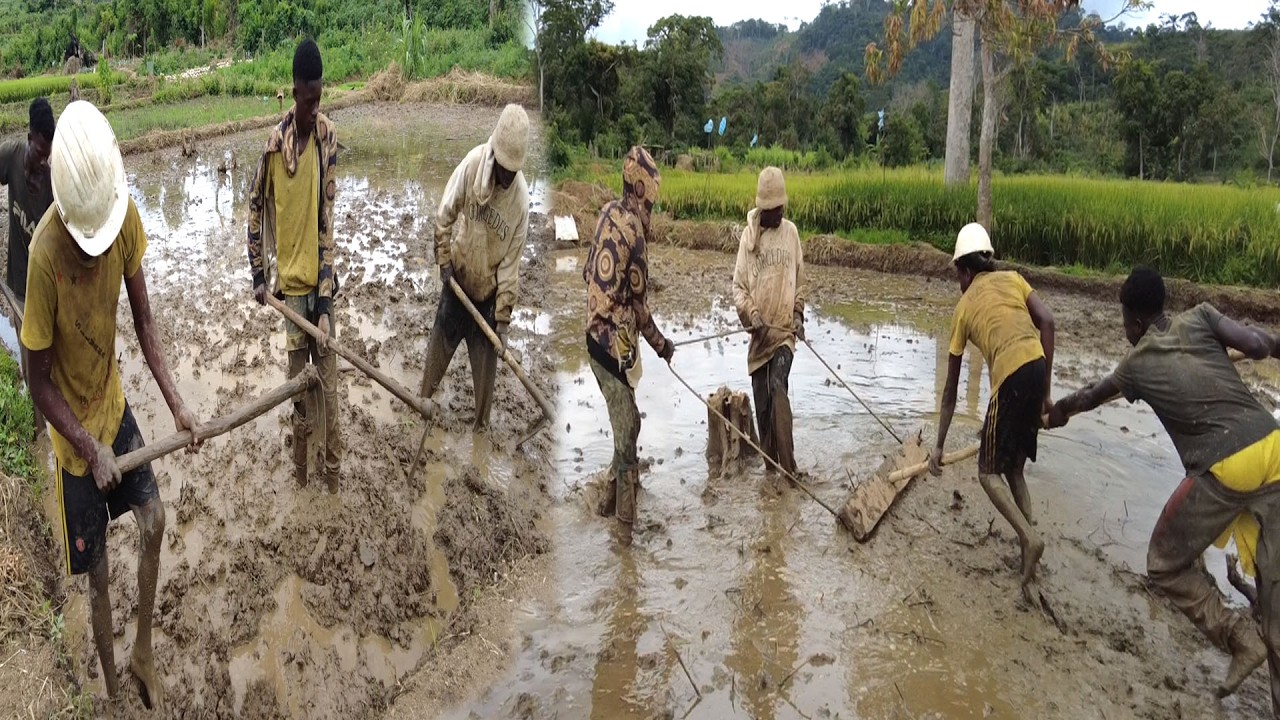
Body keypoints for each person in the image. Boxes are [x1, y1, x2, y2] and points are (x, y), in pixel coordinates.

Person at [22, 100, 202, 709]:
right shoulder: (46, 257)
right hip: (75, 445)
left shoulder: (122, 219)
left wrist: (176, 402)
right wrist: (85, 445)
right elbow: (35, 380)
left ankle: (144, 651)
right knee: (96, 574)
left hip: (113, 404)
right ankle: (111, 685)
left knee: (155, 522)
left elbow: (146, 322)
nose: (99, 251)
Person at [1048, 267, 1276, 704]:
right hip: (1274, 445)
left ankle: (1239, 636)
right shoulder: (1202, 315)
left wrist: (1056, 413)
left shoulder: (1135, 363)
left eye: (1123, 320)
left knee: (1164, 562)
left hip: (1226, 463)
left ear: (1132, 320)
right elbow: (1256, 345)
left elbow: (1089, 397)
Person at [930, 222, 1055, 598]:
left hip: (1010, 378)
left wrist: (938, 446)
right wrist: (1046, 396)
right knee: (1014, 468)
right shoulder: (1015, 279)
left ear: (965, 271)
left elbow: (951, 390)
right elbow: (1047, 322)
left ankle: (1029, 539)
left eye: (958, 276)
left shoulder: (965, 307)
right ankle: (1026, 556)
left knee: (987, 474)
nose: (959, 283)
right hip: (1036, 366)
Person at [247, 38, 342, 492]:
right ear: (294, 91)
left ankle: (333, 481)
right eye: (308, 101)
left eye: (319, 99)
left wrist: (325, 301)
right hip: (289, 297)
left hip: (320, 294)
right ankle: (302, 481)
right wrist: (258, 276)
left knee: (331, 394)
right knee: (301, 401)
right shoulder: (272, 148)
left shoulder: (327, 140)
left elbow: (327, 225)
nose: (313, 110)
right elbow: (253, 208)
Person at [419, 104, 530, 432]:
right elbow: (444, 215)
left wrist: (504, 320)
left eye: (514, 171)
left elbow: (511, 267)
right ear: (494, 154)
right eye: (504, 169)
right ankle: (421, 404)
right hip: (457, 286)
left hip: (487, 301)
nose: (507, 178)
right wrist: (443, 261)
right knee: (434, 364)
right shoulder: (471, 166)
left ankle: (480, 430)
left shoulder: (520, 202)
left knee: (484, 396)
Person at [584, 146, 675, 545]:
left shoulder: (606, 211)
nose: (652, 207)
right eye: (652, 198)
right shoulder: (636, 236)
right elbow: (640, 308)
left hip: (592, 340)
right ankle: (624, 534)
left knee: (630, 423)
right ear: (641, 190)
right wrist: (662, 346)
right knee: (626, 441)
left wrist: (605, 303)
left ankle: (607, 501)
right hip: (612, 350)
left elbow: (588, 271)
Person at [732, 166, 807, 477]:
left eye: (781, 208)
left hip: (784, 336)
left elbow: (801, 281)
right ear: (764, 208)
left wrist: (799, 315)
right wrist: (751, 314)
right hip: (759, 338)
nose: (779, 213)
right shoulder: (749, 240)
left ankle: (789, 469)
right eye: (774, 209)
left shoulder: (791, 234)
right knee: (762, 409)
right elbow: (738, 287)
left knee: (778, 387)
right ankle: (771, 470)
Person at [0, 97, 55, 434]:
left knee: (52, 355)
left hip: (46, 287)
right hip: (19, 285)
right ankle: (38, 428)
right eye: (38, 155)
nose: (40, 165)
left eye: (46, 158)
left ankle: (54, 415)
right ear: (31, 137)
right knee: (28, 354)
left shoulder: (52, 182)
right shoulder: (10, 155)